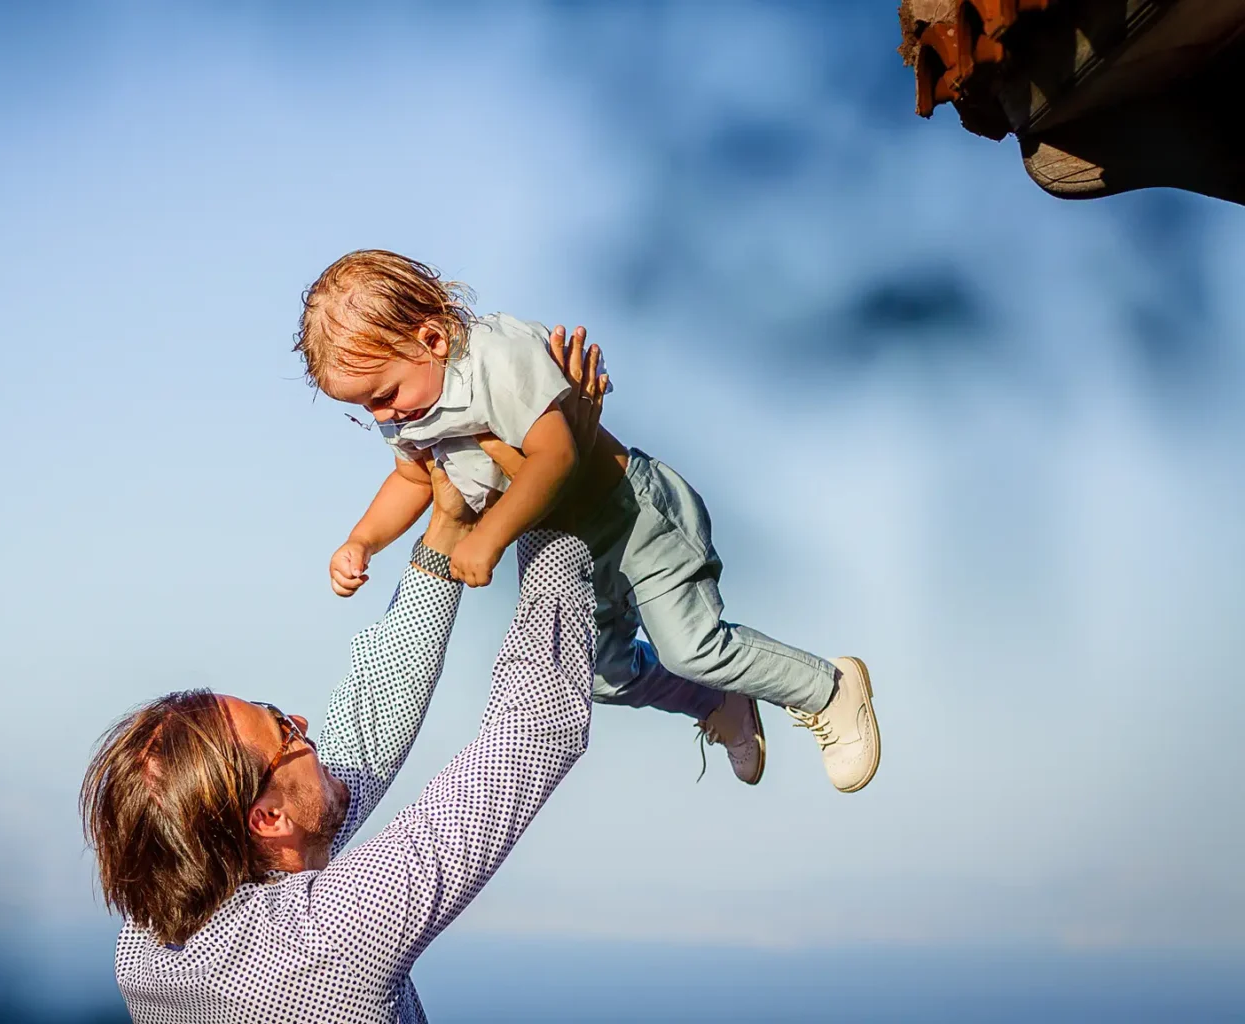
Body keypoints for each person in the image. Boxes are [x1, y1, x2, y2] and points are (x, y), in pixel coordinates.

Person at [79, 343, 607, 1024]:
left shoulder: (148, 947)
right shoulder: (327, 939)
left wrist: (445, 527)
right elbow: (537, 727)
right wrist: (558, 495)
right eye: (285, 734)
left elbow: (364, 728)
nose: (303, 724)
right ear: (265, 819)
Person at [294, 250, 880, 793]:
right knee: (599, 675)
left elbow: (557, 456)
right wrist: (362, 540)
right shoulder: (412, 407)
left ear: (431, 338)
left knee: (691, 645)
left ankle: (829, 688)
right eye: (367, 406)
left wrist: (489, 539)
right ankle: (715, 701)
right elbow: (413, 479)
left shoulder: (497, 359)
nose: (384, 414)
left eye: (384, 394)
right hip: (572, 549)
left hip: (633, 517)